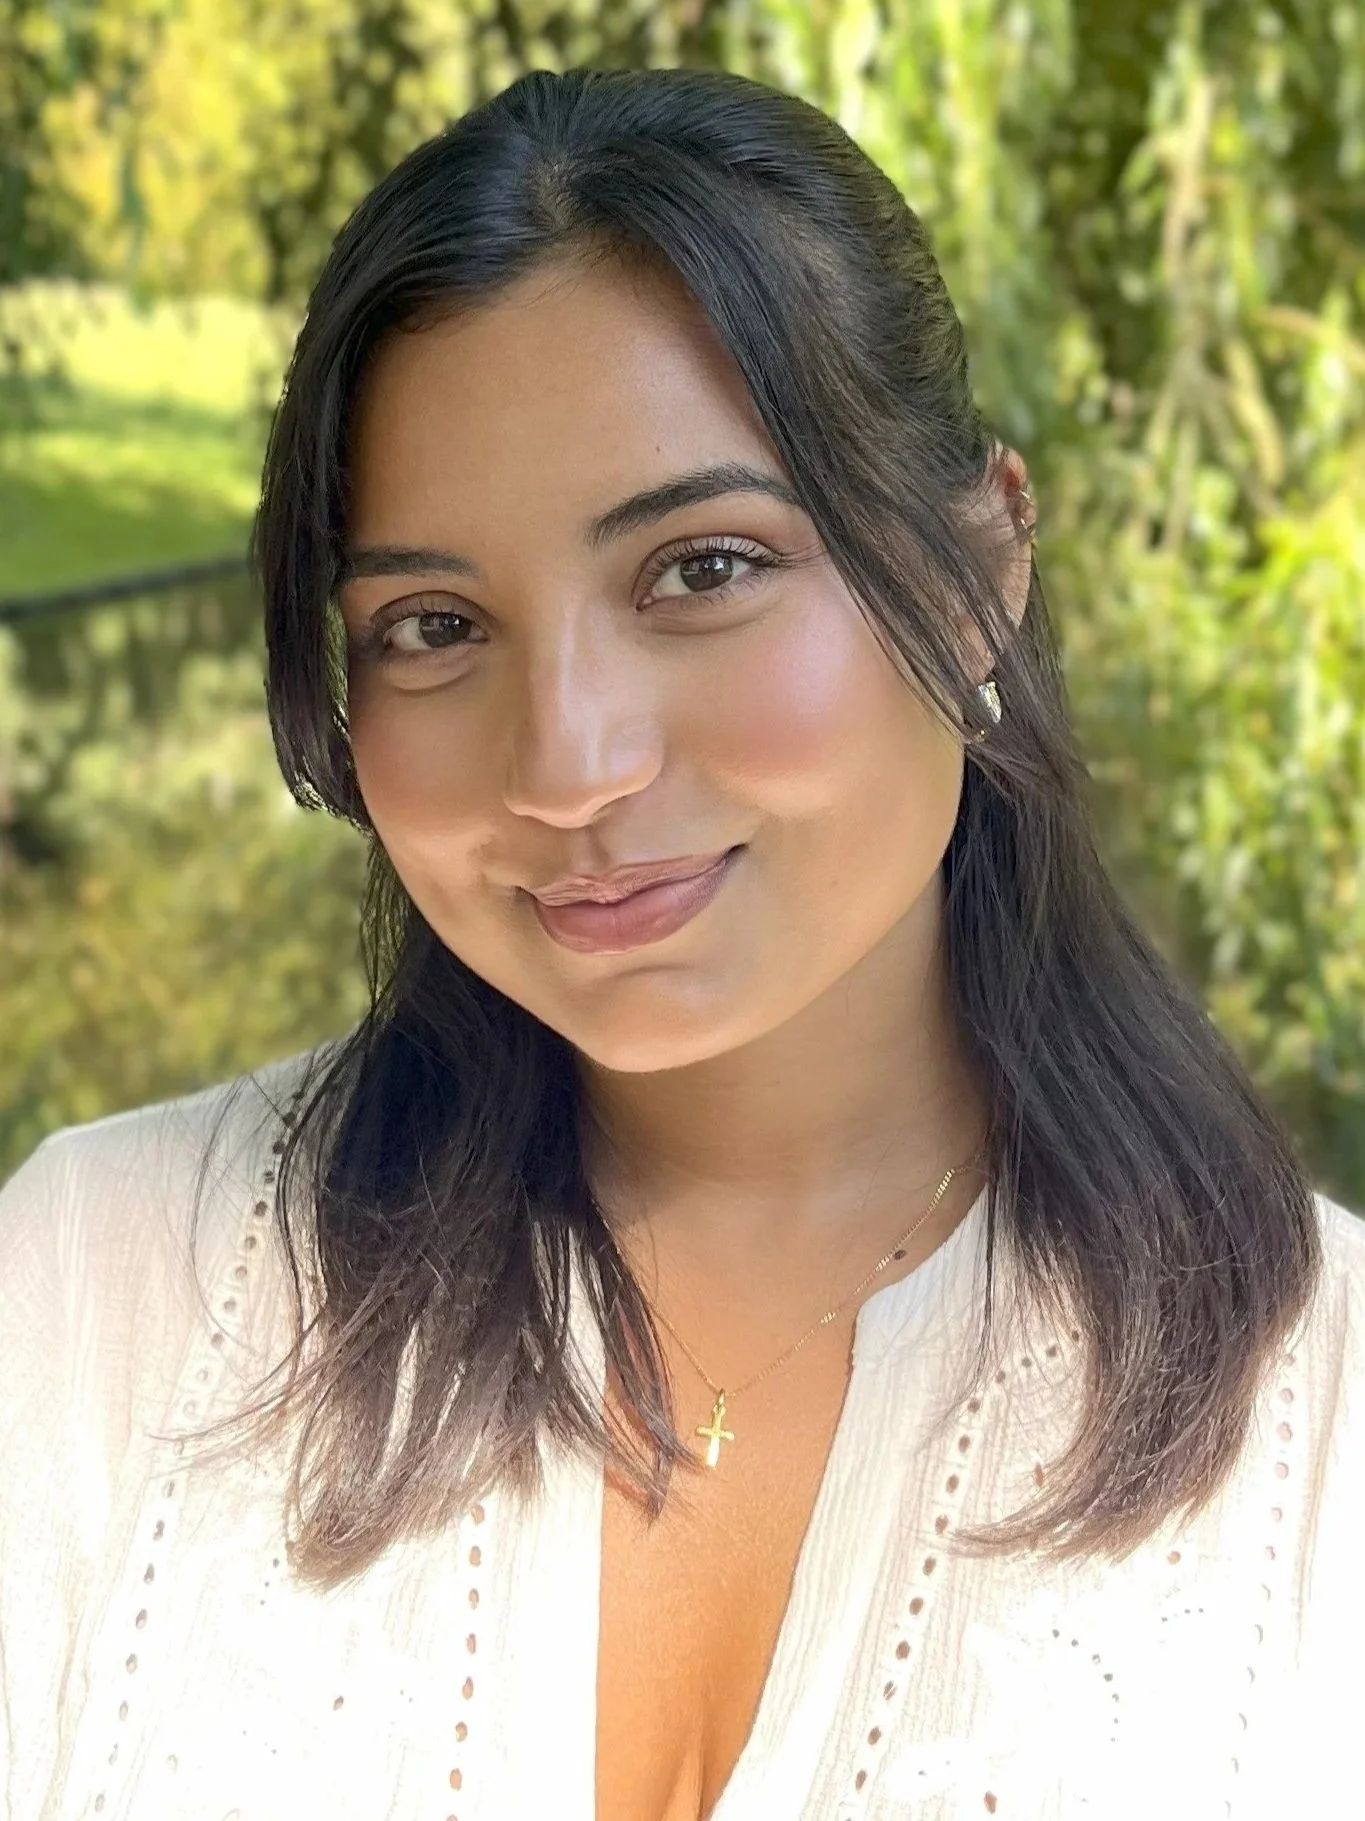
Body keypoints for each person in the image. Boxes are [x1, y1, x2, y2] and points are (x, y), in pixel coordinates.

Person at [1, 63, 1361, 1821]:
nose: (572, 767)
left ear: (978, 569)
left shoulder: (1323, 1441)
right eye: (432, 623)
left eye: (702, 569)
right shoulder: (89, 1304)